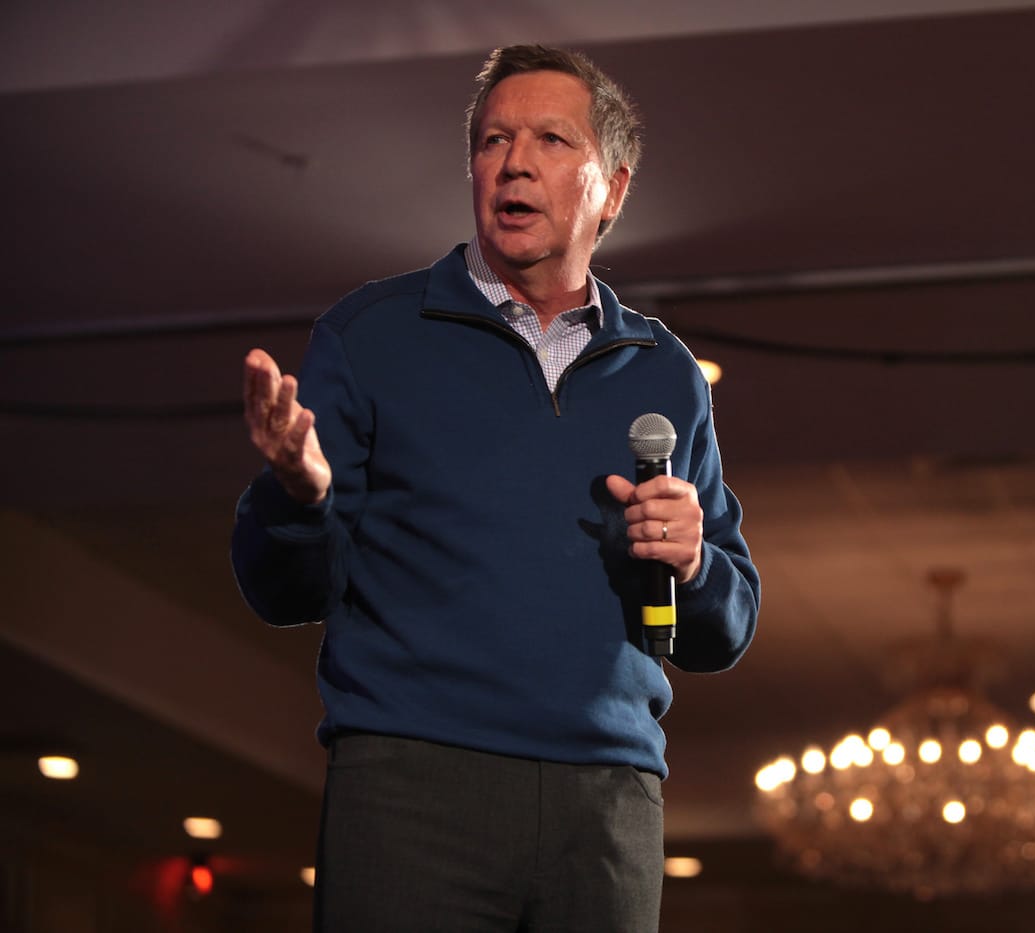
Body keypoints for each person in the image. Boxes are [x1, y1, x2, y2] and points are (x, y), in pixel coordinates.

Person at [231, 44, 760, 932]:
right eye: (492, 141)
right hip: (412, 789)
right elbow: (280, 591)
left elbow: (725, 626)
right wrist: (299, 492)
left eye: (551, 139)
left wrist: (696, 560)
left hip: (608, 802)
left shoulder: (665, 372)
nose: (513, 162)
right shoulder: (371, 335)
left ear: (614, 189)